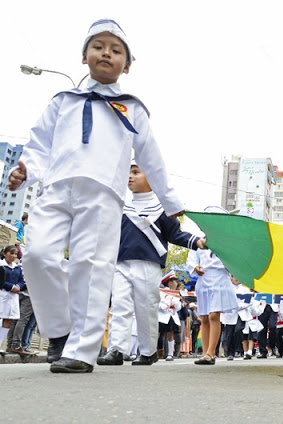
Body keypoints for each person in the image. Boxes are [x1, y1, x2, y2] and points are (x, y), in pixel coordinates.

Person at [8, 19, 184, 373]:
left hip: (103, 195)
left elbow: (152, 157)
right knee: (38, 256)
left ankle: (81, 351)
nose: (107, 53)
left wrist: (172, 202)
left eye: (116, 50)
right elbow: (40, 143)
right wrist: (26, 170)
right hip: (55, 188)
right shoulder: (63, 100)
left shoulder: (131, 107)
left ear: (127, 65)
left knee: (92, 265)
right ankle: (60, 331)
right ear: (84, 56)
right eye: (99, 46)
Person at [98, 162, 204, 366]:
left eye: (136, 172)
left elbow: (175, 234)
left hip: (149, 264)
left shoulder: (161, 208)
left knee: (145, 308)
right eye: (128, 172)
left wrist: (196, 242)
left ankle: (148, 352)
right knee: (120, 306)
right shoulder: (122, 206)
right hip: (122, 263)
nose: (130, 176)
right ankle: (116, 350)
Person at [187, 217, 238, 365]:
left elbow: (232, 260)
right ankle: (205, 353)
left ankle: (211, 353)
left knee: (214, 315)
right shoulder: (198, 242)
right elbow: (192, 260)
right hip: (204, 280)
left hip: (220, 279)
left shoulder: (225, 242)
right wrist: (195, 268)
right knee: (204, 318)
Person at [0, 246, 23, 353]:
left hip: (13, 296)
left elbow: (21, 281)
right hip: (2, 294)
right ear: (4, 254)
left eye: (15, 254)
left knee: (8, 320)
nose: (13, 256)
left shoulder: (17, 267)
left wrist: (18, 286)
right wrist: (11, 287)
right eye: (11, 253)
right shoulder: (1, 265)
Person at [158, 273, 182, 361]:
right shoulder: (161, 292)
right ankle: (152, 352)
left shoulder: (175, 293)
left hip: (171, 315)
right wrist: (163, 305)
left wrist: (175, 303)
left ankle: (170, 354)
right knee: (157, 333)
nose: (176, 284)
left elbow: (179, 306)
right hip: (161, 315)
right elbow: (157, 301)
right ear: (170, 282)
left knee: (170, 334)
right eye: (175, 281)